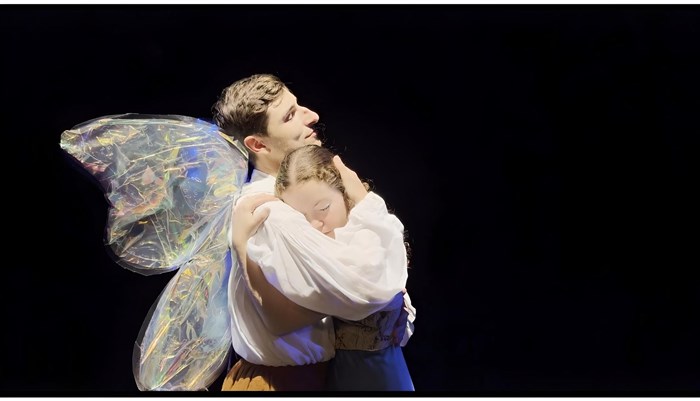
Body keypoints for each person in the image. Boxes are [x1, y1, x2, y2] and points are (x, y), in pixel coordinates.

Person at [212, 73, 414, 391]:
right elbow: (371, 288)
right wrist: (366, 204)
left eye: (299, 106)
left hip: (310, 378)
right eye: (290, 115)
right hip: (280, 383)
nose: (312, 116)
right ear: (258, 144)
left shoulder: (292, 198)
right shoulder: (269, 210)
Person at [268, 144, 416, 390]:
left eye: (323, 208)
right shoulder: (311, 252)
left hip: (386, 372)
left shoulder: (369, 235)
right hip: (344, 375)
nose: (316, 224)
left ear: (344, 192)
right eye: (301, 218)